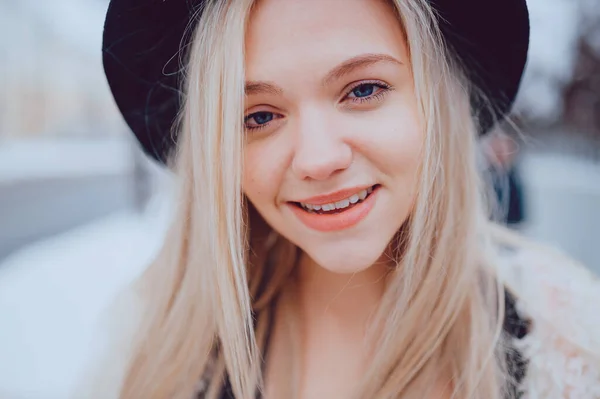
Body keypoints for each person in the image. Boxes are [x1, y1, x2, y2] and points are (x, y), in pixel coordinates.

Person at [87, 0, 600, 398]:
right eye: (259, 117)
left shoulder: (567, 345)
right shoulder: (152, 347)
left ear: (438, 99)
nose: (316, 159)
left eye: (362, 90)